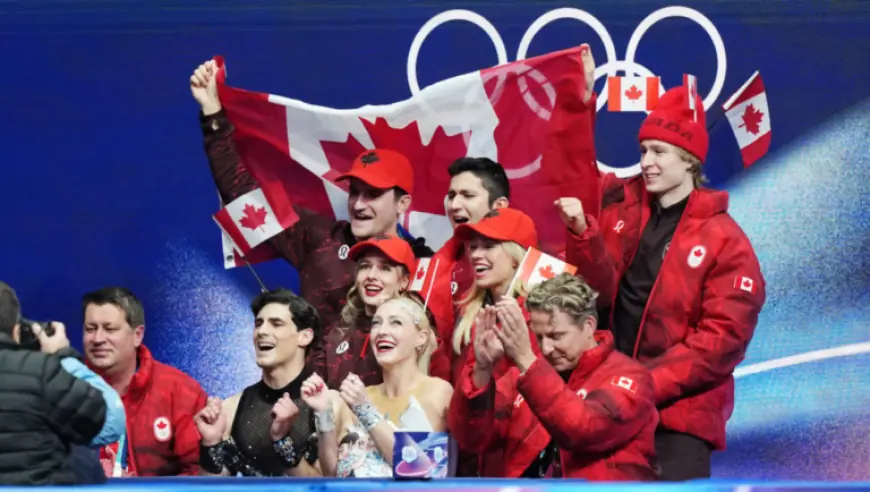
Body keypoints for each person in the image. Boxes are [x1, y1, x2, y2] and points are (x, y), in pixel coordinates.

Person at [558, 70, 766, 479]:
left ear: (689, 159)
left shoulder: (726, 240)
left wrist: (641, 383)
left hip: (676, 421)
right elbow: (568, 163)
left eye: (658, 151)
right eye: (643, 150)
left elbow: (722, 341)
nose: (646, 161)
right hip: (604, 407)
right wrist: (578, 102)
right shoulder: (617, 201)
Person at [189, 60, 434, 372]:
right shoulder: (319, 237)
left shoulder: (426, 267)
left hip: (389, 411)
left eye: (372, 194)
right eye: (354, 192)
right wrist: (213, 115)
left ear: (403, 203)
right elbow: (243, 198)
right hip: (313, 405)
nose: (359, 204)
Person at [427, 43, 598, 380]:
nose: (454, 204)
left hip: (526, 413)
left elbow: (594, 291)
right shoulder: (436, 266)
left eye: (467, 195)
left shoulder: (538, 269)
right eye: (450, 196)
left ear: (499, 206)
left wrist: (581, 102)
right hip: (462, 412)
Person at [448, 273, 657, 480]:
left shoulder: (631, 376)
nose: (546, 348)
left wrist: (525, 359)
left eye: (557, 336)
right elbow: (472, 438)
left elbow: (582, 429)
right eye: (539, 337)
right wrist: (482, 370)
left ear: (589, 325)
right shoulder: (521, 376)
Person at [301, 295, 452, 478]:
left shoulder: (437, 391)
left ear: (421, 338)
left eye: (395, 322)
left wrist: (365, 410)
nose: (382, 331)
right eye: (376, 323)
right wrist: (324, 414)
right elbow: (332, 475)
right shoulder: (358, 396)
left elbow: (422, 469)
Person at [0, 282, 124, 485]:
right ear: (16, 331)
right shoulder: (42, 372)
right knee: (81, 456)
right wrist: (62, 357)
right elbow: (111, 421)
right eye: (91, 328)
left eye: (109, 329)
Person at [193, 289, 322, 477]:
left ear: (305, 336)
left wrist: (283, 443)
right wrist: (211, 443)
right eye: (258, 324)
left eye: (276, 324)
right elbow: (211, 489)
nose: (262, 331)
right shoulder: (232, 407)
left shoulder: (328, 404)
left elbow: (331, 486)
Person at [82, 286, 208, 477]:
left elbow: (197, 475)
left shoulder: (181, 391)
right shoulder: (62, 388)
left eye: (110, 329)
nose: (98, 338)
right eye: (90, 329)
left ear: (137, 335)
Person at [325, 235, 427, 387]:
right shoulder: (338, 334)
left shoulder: (417, 336)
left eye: (385, 268)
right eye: (365, 266)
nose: (371, 276)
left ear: (404, 281)